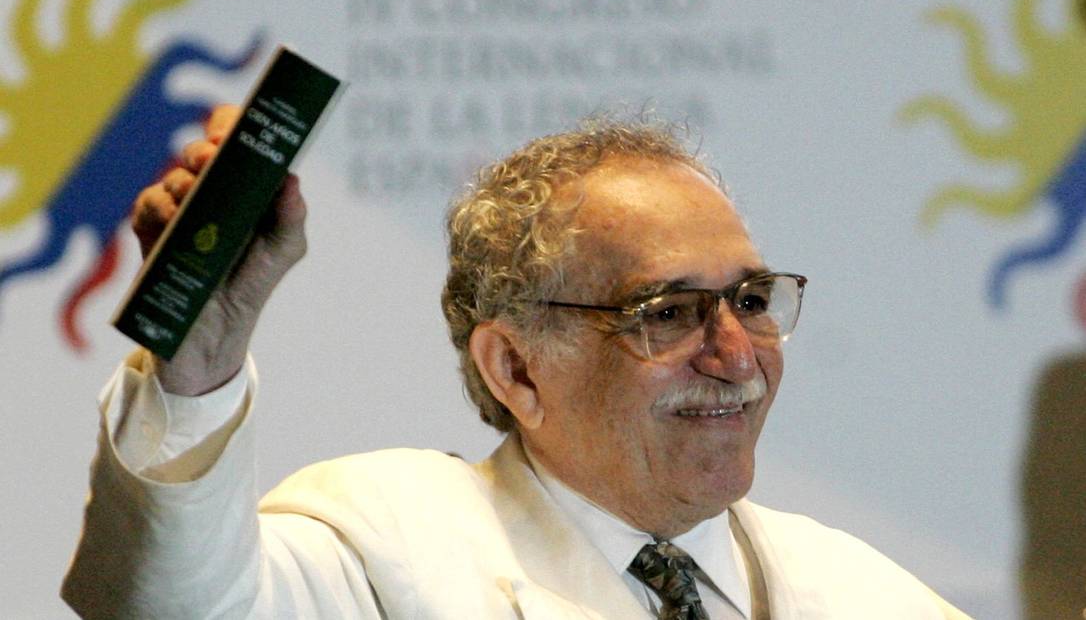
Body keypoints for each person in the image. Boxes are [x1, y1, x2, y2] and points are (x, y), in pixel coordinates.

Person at [62, 105, 971, 619]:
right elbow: (165, 609)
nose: (737, 355)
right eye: (669, 314)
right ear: (516, 369)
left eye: (752, 300)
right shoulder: (385, 550)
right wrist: (200, 359)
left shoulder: (855, 591)